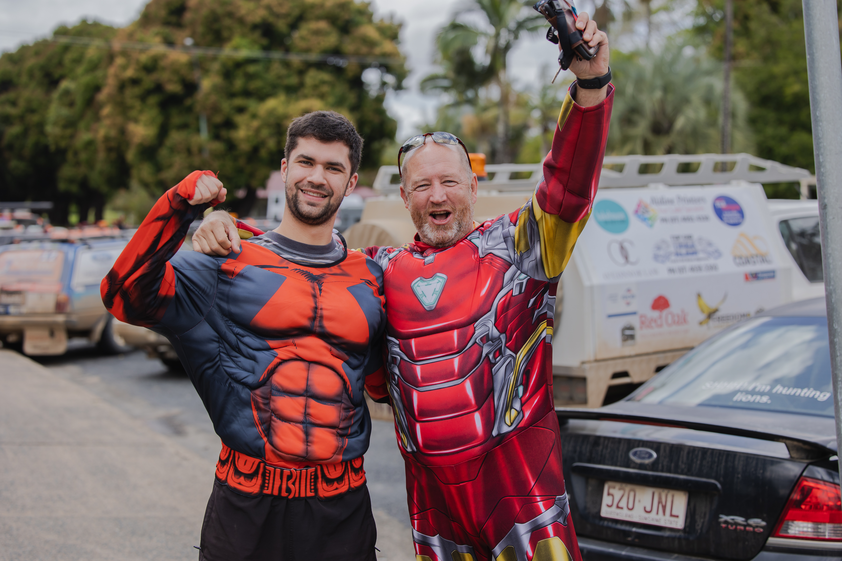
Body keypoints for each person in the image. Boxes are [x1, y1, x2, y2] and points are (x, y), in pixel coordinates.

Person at [196, 13, 613, 561]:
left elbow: (567, 186)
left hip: (524, 502)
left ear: (472, 184)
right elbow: (306, 256)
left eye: (449, 181)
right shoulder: (378, 269)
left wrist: (589, 87)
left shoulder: (523, 246)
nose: (436, 194)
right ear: (405, 197)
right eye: (422, 184)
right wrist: (226, 228)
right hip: (434, 514)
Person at [101, 111, 387, 561]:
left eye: (333, 168)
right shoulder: (227, 261)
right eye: (306, 162)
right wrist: (180, 206)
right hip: (247, 504)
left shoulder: (372, 276)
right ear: (284, 168)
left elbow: (387, 381)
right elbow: (124, 296)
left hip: (343, 510)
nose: (317, 177)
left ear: (351, 183)